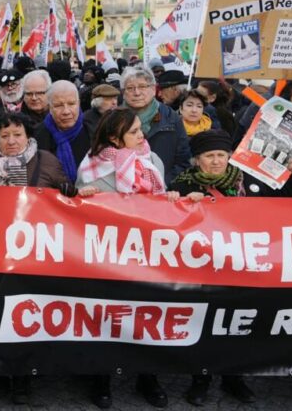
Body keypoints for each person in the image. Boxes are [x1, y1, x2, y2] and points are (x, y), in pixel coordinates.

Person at [169, 129, 292, 406]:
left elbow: (287, 205)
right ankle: (201, 380)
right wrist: (176, 201)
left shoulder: (250, 180)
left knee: (239, 326)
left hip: (245, 270)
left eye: (222, 155)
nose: (217, 161)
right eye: (210, 156)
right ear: (197, 160)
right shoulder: (184, 184)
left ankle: (235, 379)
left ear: (230, 157)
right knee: (206, 327)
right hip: (204, 272)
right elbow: (170, 222)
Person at [76, 107, 179, 409]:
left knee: (148, 317)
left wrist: (171, 199)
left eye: (139, 129)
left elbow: (162, 203)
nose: (141, 135)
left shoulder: (152, 159)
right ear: (114, 138)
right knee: (107, 317)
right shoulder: (91, 168)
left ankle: (148, 377)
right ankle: (101, 379)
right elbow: (83, 216)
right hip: (108, 258)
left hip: (148, 256)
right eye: (133, 132)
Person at [0, 112, 73, 404]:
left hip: (36, 253)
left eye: (17, 135)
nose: (11, 141)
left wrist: (66, 191)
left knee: (28, 316)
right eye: (5, 136)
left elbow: (66, 199)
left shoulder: (47, 160)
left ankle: (24, 377)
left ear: (27, 136)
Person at [121, 66, 190, 182]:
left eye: (143, 87)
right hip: (124, 190)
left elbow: (183, 160)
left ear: (153, 89)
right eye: (130, 88)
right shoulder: (113, 119)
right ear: (123, 92)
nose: (137, 93)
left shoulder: (171, 117)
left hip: (164, 190)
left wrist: (163, 183)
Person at [33, 80, 92, 182]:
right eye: (58, 105)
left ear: (78, 104)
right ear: (50, 107)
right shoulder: (36, 137)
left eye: (71, 104)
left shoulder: (93, 132)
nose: (66, 111)